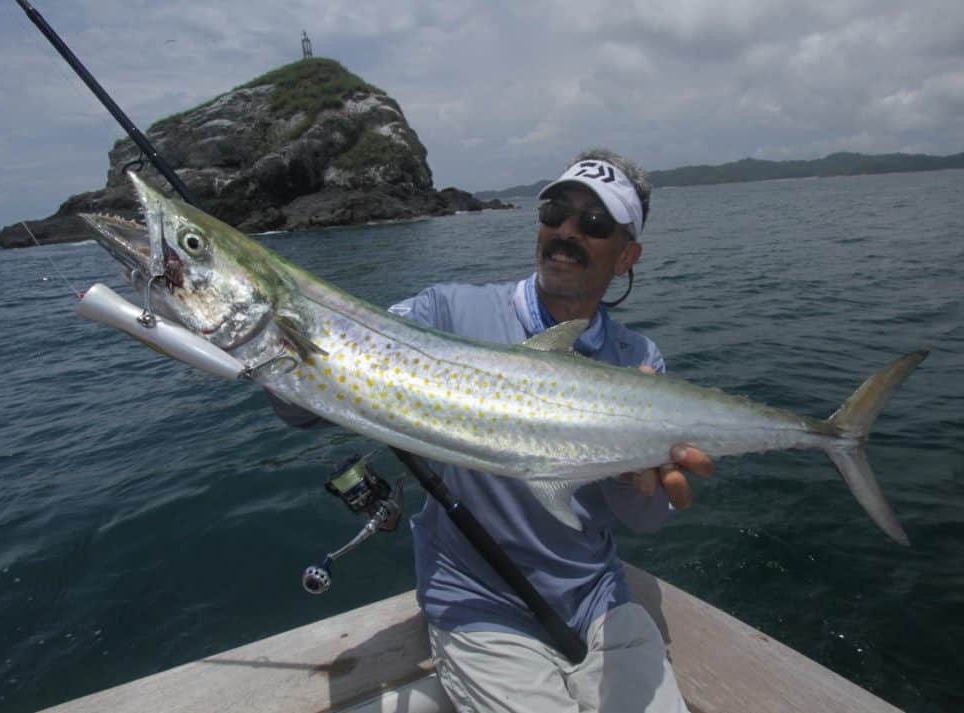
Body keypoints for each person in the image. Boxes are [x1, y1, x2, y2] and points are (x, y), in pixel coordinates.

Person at [275, 148, 713, 712]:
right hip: (477, 602)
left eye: (595, 222)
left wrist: (637, 478)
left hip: (600, 599)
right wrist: (277, 350)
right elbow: (312, 400)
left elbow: (645, 519)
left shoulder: (637, 358)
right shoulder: (446, 312)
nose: (565, 231)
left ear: (627, 255)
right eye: (554, 211)